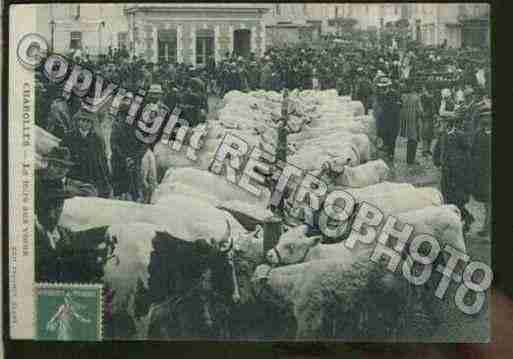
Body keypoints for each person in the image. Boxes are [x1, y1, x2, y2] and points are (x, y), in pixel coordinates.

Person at [61, 109, 112, 198]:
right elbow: (62, 158)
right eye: (83, 120)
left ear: (92, 124)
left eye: (89, 121)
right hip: (73, 178)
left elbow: (102, 161)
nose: (86, 123)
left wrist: (106, 180)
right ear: (78, 122)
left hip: (90, 180)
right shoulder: (69, 137)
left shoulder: (97, 140)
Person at [470, 101, 492, 237]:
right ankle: (487, 226)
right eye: (483, 117)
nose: (485, 120)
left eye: (488, 117)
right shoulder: (479, 134)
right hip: (483, 173)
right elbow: (473, 152)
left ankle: (487, 227)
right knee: (487, 202)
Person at [399, 80, 424, 165]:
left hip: (406, 121)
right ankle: (411, 160)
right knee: (414, 140)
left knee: (410, 139)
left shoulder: (403, 96)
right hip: (414, 121)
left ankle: (409, 159)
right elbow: (420, 111)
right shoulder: (416, 97)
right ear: (413, 86)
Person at [380, 80, 402, 162]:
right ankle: (388, 151)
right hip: (385, 119)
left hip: (393, 119)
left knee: (392, 137)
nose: (383, 88)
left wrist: (397, 105)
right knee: (386, 136)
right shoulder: (382, 95)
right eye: (382, 87)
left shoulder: (394, 94)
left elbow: (400, 104)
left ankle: (391, 153)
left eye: (384, 87)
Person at [420, 83, 437, 156]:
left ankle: (427, 150)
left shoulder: (428, 96)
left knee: (429, 134)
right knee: (426, 134)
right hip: (426, 116)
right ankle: (424, 150)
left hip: (429, 116)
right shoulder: (424, 96)